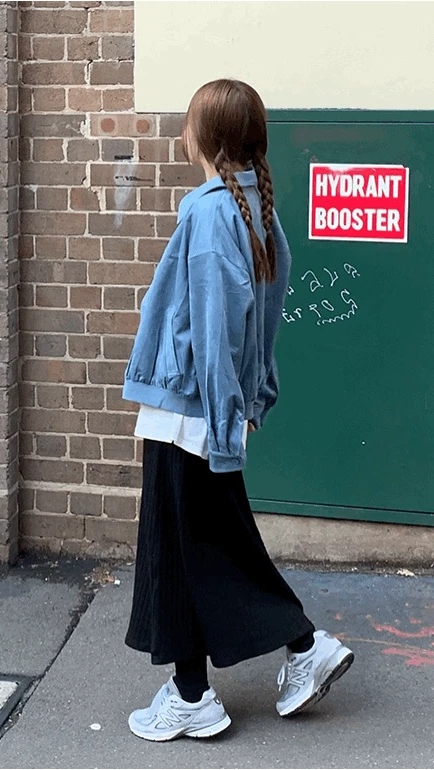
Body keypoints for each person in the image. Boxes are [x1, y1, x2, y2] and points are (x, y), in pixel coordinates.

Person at [121, 79, 354, 742]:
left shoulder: (209, 214)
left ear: (204, 137)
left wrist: (226, 424)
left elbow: (220, 328)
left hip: (191, 417)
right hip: (209, 413)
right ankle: (205, 685)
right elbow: (264, 320)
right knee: (206, 549)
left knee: (185, 553)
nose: (181, 132)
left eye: (188, 121)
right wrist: (248, 402)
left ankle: (235, 677)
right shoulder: (255, 209)